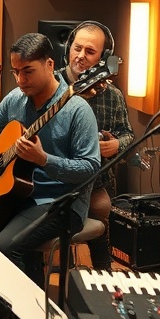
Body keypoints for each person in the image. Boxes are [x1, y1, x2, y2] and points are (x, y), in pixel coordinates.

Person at [0, 33, 99, 319]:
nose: (20, 80)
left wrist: (44, 159)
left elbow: (89, 169)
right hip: (17, 197)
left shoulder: (77, 109)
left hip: (61, 202)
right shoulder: (15, 99)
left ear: (50, 64)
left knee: (5, 247)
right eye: (16, 71)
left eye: (27, 71)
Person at [55, 21, 134, 270]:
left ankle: (102, 272)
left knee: (101, 212)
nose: (81, 56)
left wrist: (117, 145)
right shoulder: (49, 85)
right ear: (68, 48)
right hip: (52, 175)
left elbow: (128, 135)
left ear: (103, 57)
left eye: (90, 52)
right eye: (77, 48)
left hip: (95, 180)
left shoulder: (112, 95)